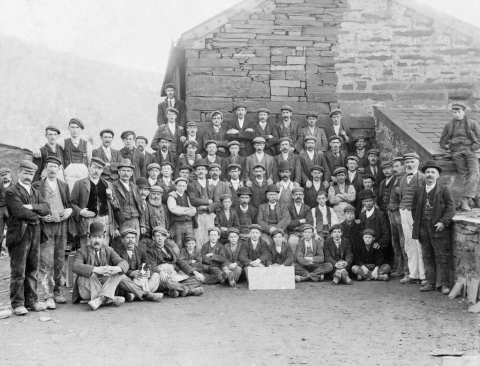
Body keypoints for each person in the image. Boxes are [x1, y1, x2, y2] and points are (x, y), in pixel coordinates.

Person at [6, 160, 50, 315]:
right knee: (19, 270)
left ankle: (31, 301)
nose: (28, 176)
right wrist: (37, 215)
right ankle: (17, 303)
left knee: (32, 269)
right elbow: (19, 212)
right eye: (25, 173)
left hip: (35, 233)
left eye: (31, 174)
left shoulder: (36, 192)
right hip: (19, 235)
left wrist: (32, 207)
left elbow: (46, 209)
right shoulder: (11, 192)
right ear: (19, 173)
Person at [32, 157, 73, 309]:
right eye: (50, 166)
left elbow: (69, 204)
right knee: (46, 261)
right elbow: (32, 207)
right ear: (45, 168)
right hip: (45, 227)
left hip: (61, 227)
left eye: (55, 166)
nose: (52, 169)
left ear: (59, 169)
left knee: (59, 260)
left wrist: (69, 210)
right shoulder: (37, 185)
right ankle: (48, 295)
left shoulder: (63, 185)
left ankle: (57, 292)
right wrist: (41, 215)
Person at [412, 161, 455, 294]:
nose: (430, 175)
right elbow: (414, 210)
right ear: (424, 175)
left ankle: (443, 284)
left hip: (439, 229)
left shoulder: (444, 190)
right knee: (427, 255)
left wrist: (443, 222)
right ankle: (430, 282)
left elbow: (451, 208)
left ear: (437, 175)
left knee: (442, 256)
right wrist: (419, 223)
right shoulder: (419, 191)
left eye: (432, 172)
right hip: (423, 227)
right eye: (427, 172)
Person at [72, 222, 129, 310]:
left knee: (119, 272)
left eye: (99, 237)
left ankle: (100, 299)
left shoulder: (108, 250)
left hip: (103, 287)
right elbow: (75, 266)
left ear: (103, 238)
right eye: (94, 237)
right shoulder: (81, 251)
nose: (97, 240)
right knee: (92, 274)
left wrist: (115, 268)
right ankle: (108, 298)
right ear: (89, 238)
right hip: (86, 290)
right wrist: (95, 269)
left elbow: (123, 263)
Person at [71, 157, 121, 249]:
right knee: (87, 248)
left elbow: (116, 205)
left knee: (103, 248)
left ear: (102, 170)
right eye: (94, 167)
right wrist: (80, 211)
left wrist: (111, 197)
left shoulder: (107, 184)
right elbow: (72, 204)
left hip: (104, 221)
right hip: (87, 221)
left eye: (99, 168)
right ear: (89, 167)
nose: (96, 171)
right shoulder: (79, 183)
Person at [440, 102, 480, 211]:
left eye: (459, 112)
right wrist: (446, 146)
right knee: (464, 175)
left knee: (475, 172)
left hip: (469, 150)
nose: (456, 114)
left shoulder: (472, 123)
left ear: (464, 111)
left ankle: (465, 200)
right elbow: (442, 140)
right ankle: (475, 198)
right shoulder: (449, 125)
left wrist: (474, 147)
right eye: (454, 112)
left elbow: (479, 137)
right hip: (456, 152)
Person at [146, 226, 204, 297]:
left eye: (162, 236)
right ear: (153, 238)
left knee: (198, 279)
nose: (160, 238)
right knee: (167, 281)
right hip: (162, 277)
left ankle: (172, 290)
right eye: (157, 236)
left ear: (165, 237)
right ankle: (190, 291)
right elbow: (153, 267)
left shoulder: (169, 249)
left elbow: (180, 262)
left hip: (174, 276)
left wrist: (194, 272)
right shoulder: (150, 251)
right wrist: (161, 272)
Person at [114, 227, 163, 302]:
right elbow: (117, 269)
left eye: (132, 238)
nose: (130, 240)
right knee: (120, 277)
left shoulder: (141, 251)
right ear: (122, 240)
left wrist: (148, 272)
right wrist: (131, 273)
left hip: (141, 280)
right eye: (127, 238)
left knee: (156, 275)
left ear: (135, 239)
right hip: (128, 281)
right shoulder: (117, 251)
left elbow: (148, 265)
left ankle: (134, 295)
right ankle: (146, 294)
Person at [398, 153, 426, 285]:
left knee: (419, 243)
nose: (409, 164)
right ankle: (413, 273)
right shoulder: (402, 178)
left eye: (412, 162)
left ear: (418, 163)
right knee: (409, 243)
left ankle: (423, 275)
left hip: (416, 214)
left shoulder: (422, 178)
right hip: (403, 211)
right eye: (407, 162)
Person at [188, 163, 220, 246]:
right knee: (198, 239)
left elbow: (217, 203)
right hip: (198, 216)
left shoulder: (212, 186)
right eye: (198, 169)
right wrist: (208, 201)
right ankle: (199, 257)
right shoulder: (191, 185)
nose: (200, 171)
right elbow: (193, 201)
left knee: (210, 238)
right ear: (195, 172)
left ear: (206, 171)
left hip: (210, 216)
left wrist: (205, 208)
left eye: (203, 169)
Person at [112, 159, 145, 236]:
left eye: (128, 171)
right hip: (122, 222)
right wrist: (115, 226)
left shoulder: (135, 187)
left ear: (131, 173)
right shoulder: (113, 186)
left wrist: (142, 224)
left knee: (135, 245)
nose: (126, 173)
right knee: (124, 245)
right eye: (123, 170)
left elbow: (141, 206)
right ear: (119, 172)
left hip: (136, 221)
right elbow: (111, 209)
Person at [358, 189, 391, 263]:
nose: (368, 203)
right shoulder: (361, 215)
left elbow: (386, 233)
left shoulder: (380, 214)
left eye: (370, 201)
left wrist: (379, 243)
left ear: (374, 201)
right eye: (366, 201)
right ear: (363, 203)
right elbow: (360, 231)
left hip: (378, 248)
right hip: (366, 247)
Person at [388, 157, 407, 277]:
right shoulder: (394, 179)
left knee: (403, 241)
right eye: (393, 167)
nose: (394, 169)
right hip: (392, 212)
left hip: (400, 213)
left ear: (403, 167)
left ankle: (407, 270)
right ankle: (400, 268)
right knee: (395, 241)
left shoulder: (405, 179)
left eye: (397, 166)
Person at [167, 177, 197, 249]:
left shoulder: (188, 196)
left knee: (190, 242)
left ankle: (189, 259)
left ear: (186, 187)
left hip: (189, 223)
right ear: (176, 186)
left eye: (183, 186)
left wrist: (182, 210)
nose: (181, 188)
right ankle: (179, 260)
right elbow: (173, 209)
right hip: (177, 223)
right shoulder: (172, 196)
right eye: (180, 185)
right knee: (178, 243)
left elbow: (193, 211)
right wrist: (187, 210)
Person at [287, 187, 313, 252]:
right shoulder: (288, 208)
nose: (298, 196)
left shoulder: (307, 208)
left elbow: (309, 222)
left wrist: (297, 227)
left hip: (304, 232)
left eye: (300, 194)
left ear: (303, 196)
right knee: (292, 242)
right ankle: (293, 260)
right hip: (293, 233)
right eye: (296, 194)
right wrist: (300, 221)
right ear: (293, 196)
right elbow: (289, 224)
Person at [0, 167, 13, 255]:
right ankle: (1, 250)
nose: (4, 177)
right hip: (0, 210)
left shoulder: (15, 185)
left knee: (12, 230)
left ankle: (10, 250)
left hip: (10, 210)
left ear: (10, 175)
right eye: (2, 175)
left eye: (6, 175)